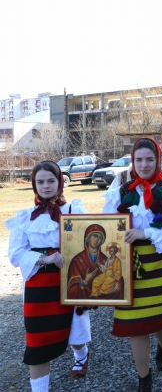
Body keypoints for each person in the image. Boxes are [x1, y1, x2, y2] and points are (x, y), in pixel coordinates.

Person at [103, 138, 162, 391]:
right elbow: (107, 222)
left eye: (149, 159)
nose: (143, 165)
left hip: (159, 260)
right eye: (139, 160)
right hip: (128, 264)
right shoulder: (121, 189)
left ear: (158, 160)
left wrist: (146, 234)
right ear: (133, 161)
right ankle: (144, 376)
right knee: (136, 324)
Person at [7, 161, 91, 391]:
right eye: (40, 182)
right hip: (38, 287)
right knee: (37, 343)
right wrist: (44, 259)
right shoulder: (25, 217)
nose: (46, 186)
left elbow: (93, 241)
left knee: (75, 328)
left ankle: (81, 356)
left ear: (60, 182)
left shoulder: (73, 210)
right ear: (34, 185)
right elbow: (15, 255)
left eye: (51, 181)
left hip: (71, 282)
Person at [67, 224, 123, 300]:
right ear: (88, 237)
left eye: (100, 238)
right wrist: (85, 281)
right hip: (84, 302)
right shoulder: (77, 261)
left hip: (104, 300)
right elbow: (71, 291)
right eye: (95, 236)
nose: (97, 239)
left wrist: (118, 283)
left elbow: (117, 274)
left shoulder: (105, 259)